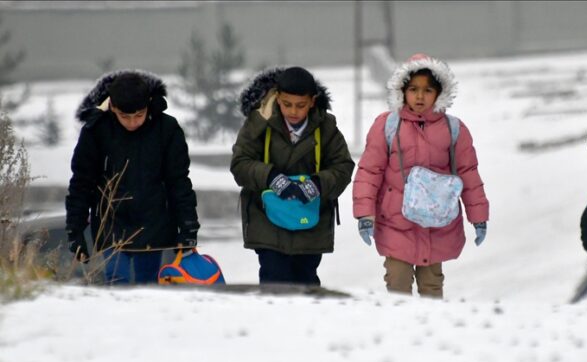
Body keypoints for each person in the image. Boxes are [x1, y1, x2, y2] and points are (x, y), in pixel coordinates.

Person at [352, 53, 489, 298]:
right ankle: (400, 333)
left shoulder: (453, 129)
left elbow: (468, 174)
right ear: (402, 91)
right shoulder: (387, 126)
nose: (419, 96)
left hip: (437, 223)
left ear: (439, 93)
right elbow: (369, 172)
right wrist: (365, 214)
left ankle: (430, 333)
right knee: (397, 284)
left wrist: (478, 216)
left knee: (432, 287)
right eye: (413, 89)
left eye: (427, 90)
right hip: (396, 222)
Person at [66, 70, 200, 284]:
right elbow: (81, 184)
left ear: (148, 105)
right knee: (118, 287)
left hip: (154, 228)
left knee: (147, 291)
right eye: (124, 117)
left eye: (138, 115)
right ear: (112, 107)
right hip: (111, 228)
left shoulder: (167, 129)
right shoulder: (95, 131)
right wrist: (75, 230)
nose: (132, 123)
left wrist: (188, 226)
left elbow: (179, 182)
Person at [230, 66, 355, 285]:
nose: (293, 111)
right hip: (266, 219)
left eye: (301, 105)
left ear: (313, 102)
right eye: (287, 104)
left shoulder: (326, 127)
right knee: (273, 278)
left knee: (306, 280)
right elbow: (240, 163)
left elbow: (343, 166)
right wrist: (271, 178)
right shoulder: (259, 123)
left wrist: (316, 184)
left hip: (310, 220)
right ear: (277, 98)